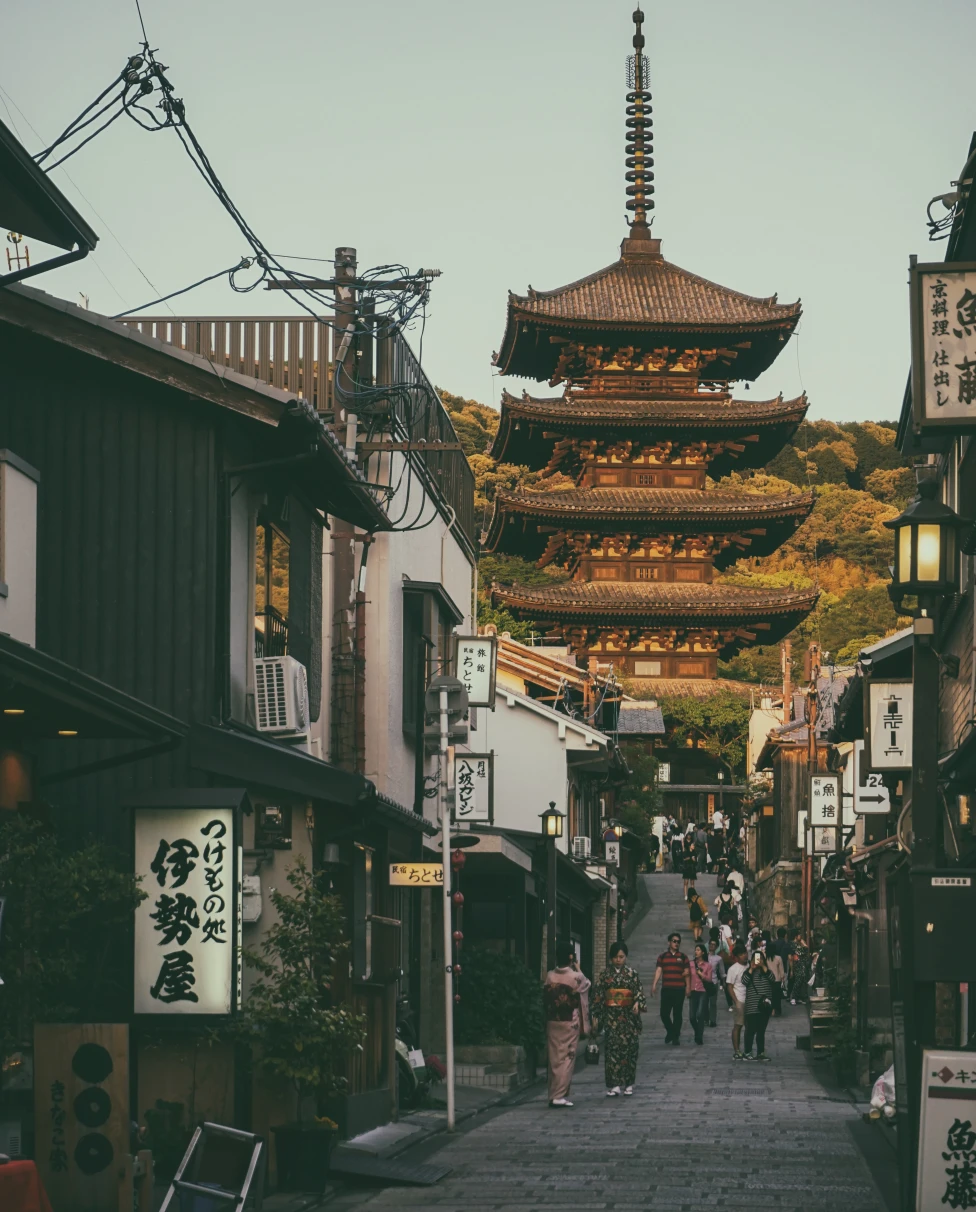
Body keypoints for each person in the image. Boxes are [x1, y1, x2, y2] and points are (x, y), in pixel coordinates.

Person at [592, 941, 646, 1097]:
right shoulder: (605, 975)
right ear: (611, 958)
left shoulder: (632, 974)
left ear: (626, 957)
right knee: (612, 1052)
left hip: (629, 1018)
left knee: (630, 1051)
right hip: (611, 1019)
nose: (618, 960)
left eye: (621, 957)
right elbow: (598, 996)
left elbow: (639, 993)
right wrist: (596, 1016)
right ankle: (614, 1084)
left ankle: (629, 1083)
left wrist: (637, 1002)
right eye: (615, 957)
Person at [543, 941, 591, 1107]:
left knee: (554, 1057)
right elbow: (587, 985)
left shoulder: (550, 976)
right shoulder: (575, 977)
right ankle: (559, 1095)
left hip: (552, 1021)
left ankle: (553, 1093)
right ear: (571, 957)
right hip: (569, 1022)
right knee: (567, 1058)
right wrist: (577, 967)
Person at [651, 932, 691, 1045]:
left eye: (678, 942)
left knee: (677, 1014)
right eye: (674, 941)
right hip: (667, 989)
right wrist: (654, 984)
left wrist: (688, 987)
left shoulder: (683, 957)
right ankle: (671, 1031)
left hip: (679, 989)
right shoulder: (662, 956)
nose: (676, 943)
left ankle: (675, 1036)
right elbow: (659, 970)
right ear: (669, 942)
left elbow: (687, 973)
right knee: (664, 1013)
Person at [742, 950, 776, 1061]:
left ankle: (760, 1053)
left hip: (764, 1007)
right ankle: (747, 1052)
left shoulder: (767, 972)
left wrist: (763, 966)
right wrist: (751, 968)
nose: (758, 961)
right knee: (750, 1031)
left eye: (760, 959)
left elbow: (773, 979)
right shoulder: (748, 972)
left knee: (761, 1031)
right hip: (752, 1007)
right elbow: (744, 981)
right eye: (756, 959)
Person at [688, 942, 714, 1045]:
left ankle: (699, 1036)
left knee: (700, 1014)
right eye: (696, 950)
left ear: (703, 952)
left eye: (698, 950)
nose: (696, 952)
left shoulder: (708, 965)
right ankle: (698, 1032)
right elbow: (687, 977)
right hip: (693, 991)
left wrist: (701, 974)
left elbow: (709, 979)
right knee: (692, 1017)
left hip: (703, 991)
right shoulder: (690, 964)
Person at [726, 944, 749, 1058]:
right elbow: (729, 986)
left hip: (750, 1000)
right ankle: (737, 1050)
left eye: (745, 953)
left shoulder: (751, 966)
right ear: (737, 957)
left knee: (750, 1027)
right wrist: (736, 1001)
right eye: (741, 954)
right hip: (739, 999)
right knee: (738, 1025)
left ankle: (748, 1050)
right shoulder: (733, 969)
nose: (744, 956)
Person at [706, 938, 727, 1027]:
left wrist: (724, 982)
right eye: (711, 944)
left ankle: (713, 1020)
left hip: (714, 981)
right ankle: (706, 1019)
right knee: (704, 1002)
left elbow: (722, 972)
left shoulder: (718, 958)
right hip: (704, 982)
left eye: (714, 944)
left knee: (713, 1002)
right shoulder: (704, 956)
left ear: (716, 947)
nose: (711, 946)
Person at [788, 930, 812, 1005]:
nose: (800, 937)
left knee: (802, 980)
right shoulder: (793, 944)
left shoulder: (797, 944)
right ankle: (794, 997)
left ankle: (798, 997)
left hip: (801, 964)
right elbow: (804, 950)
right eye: (799, 935)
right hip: (798, 964)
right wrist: (804, 944)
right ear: (796, 936)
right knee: (798, 980)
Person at [766, 941, 786, 1017]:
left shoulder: (764, 957)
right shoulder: (778, 958)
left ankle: (770, 1009)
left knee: (769, 996)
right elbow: (781, 970)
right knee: (776, 997)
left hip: (767, 980)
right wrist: (782, 978)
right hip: (777, 980)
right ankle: (776, 1010)